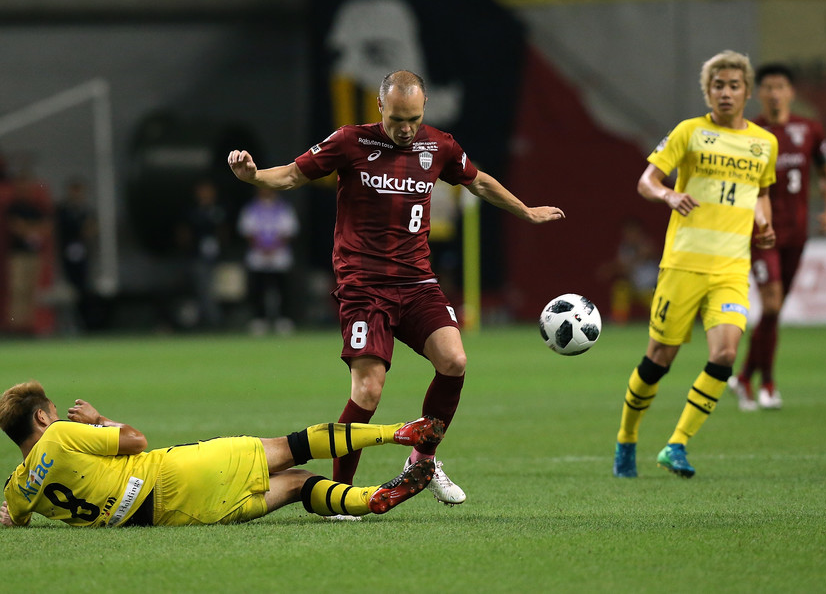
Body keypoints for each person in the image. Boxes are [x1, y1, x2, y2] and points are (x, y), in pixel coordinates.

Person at [228, 70, 564, 507]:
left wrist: (527, 212)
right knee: (368, 391)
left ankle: (421, 460)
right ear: (380, 108)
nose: (406, 129)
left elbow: (478, 181)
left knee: (455, 360)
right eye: (397, 119)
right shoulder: (350, 141)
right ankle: (338, 495)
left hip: (417, 281)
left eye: (414, 119)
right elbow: (292, 176)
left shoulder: (439, 145)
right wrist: (254, 177)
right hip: (364, 285)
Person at [612, 50, 778, 480]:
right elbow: (646, 180)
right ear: (708, 91)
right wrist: (668, 195)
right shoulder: (689, 133)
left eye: (734, 85)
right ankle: (627, 437)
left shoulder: (764, 143)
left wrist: (765, 224)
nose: (725, 92)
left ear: (746, 91)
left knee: (725, 353)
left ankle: (677, 444)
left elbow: (761, 192)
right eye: (718, 85)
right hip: (684, 264)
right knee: (659, 358)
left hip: (731, 268)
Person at [0, 380, 443, 527]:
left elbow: (18, 515)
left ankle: (372, 500)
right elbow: (135, 441)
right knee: (293, 448)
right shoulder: (61, 435)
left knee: (299, 485)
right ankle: (398, 431)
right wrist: (99, 420)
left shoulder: (18, 489)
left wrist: (15, 514)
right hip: (174, 472)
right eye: (53, 410)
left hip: (173, 517)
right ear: (43, 420)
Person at [728, 64, 826, 411]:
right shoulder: (750, 131)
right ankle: (768, 383)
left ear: (791, 92)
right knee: (772, 304)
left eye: (781, 87)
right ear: (759, 93)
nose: (775, 93)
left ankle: (744, 378)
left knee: (774, 312)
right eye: (769, 87)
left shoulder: (810, 130)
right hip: (761, 234)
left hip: (797, 234)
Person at [237, 187, 300, 335]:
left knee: (282, 288)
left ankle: (283, 319)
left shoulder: (284, 208)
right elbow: (247, 231)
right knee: (258, 288)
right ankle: (259, 319)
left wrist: (274, 247)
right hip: (258, 256)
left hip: (279, 255)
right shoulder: (251, 208)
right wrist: (262, 247)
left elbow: (289, 230)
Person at [5, 176, 51, 334]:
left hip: (33, 254)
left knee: (32, 291)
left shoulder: (35, 208)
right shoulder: (14, 207)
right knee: (18, 289)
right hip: (18, 254)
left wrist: (29, 228)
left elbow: (46, 228)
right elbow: (17, 228)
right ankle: (16, 325)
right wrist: (32, 229)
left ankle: (29, 325)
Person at [179, 179, 227, 329]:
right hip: (197, 256)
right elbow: (183, 233)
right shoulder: (192, 211)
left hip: (216, 257)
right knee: (202, 288)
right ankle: (211, 322)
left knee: (216, 290)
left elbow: (224, 232)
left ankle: (213, 320)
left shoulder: (218, 210)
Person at [55, 178, 97, 331]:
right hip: (66, 253)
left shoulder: (86, 210)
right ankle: (68, 323)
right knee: (69, 287)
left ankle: (86, 322)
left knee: (83, 287)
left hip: (82, 253)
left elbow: (91, 229)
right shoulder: (63, 210)